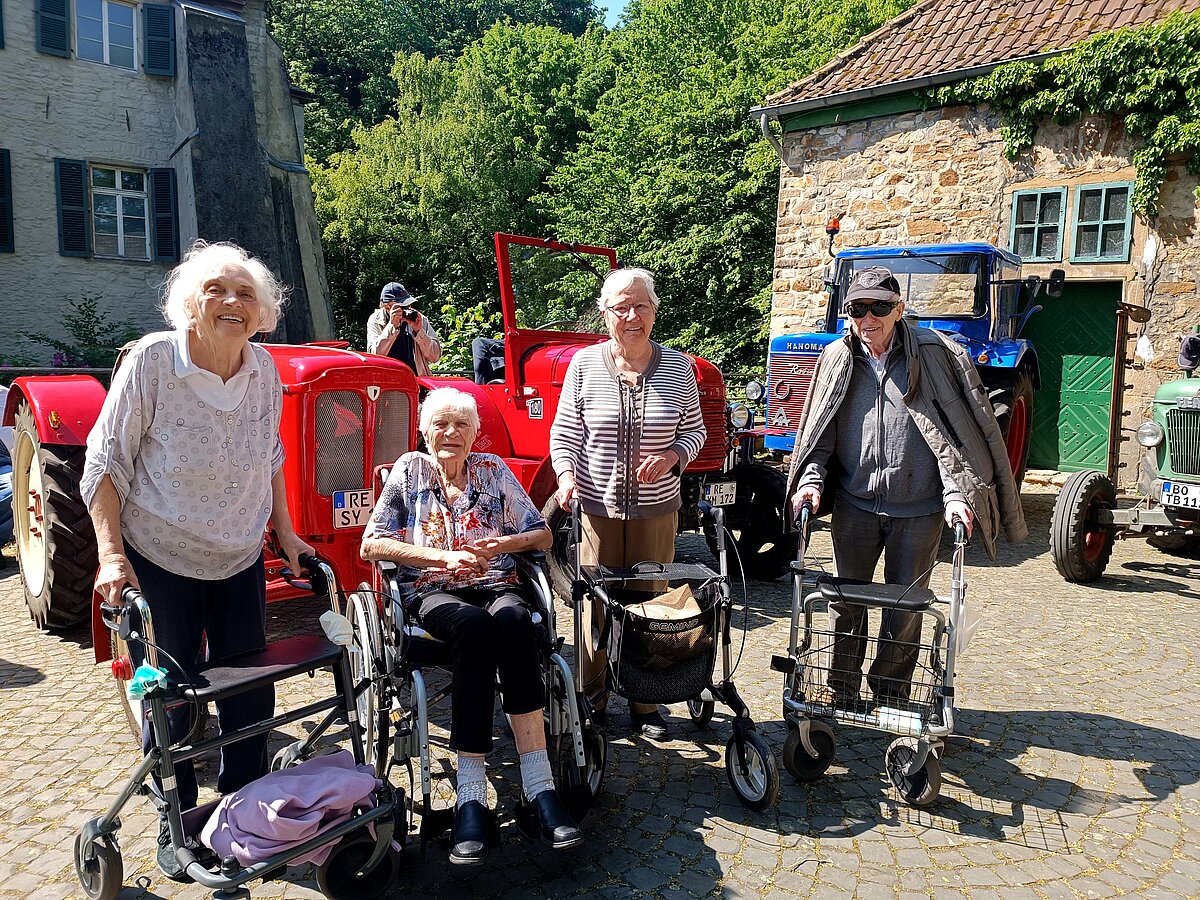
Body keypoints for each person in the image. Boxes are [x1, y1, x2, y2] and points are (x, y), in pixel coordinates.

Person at [81, 240, 314, 880]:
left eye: (245, 294)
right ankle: (176, 816)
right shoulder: (155, 362)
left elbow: (269, 457)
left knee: (248, 696)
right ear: (191, 301)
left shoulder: (262, 368)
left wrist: (286, 535)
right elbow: (104, 463)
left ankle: (242, 809)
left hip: (238, 557)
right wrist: (109, 556)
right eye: (216, 290)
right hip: (162, 557)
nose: (231, 303)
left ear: (263, 310)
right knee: (172, 698)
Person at [786, 265, 1026, 707]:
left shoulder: (938, 355)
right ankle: (840, 687)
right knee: (846, 602)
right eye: (858, 308)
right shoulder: (837, 358)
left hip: (919, 509)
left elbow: (955, 437)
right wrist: (810, 483)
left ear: (899, 309)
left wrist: (956, 495)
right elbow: (820, 437)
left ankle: (891, 693)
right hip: (855, 506)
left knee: (907, 608)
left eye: (880, 306)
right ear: (848, 313)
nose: (868, 318)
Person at [360, 387, 581, 866]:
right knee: (476, 628)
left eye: (461, 424)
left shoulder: (494, 470)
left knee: (516, 619)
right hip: (434, 589)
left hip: (496, 581)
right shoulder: (408, 471)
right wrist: (440, 555)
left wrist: (499, 545)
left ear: (475, 433)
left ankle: (540, 788)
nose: (450, 433)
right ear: (423, 431)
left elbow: (543, 533)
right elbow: (371, 545)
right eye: (440, 423)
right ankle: (470, 795)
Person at [548, 267, 707, 741]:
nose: (632, 316)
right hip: (596, 509)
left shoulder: (678, 369)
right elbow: (565, 434)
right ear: (605, 313)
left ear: (655, 311)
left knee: (652, 604)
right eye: (621, 307)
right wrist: (565, 476)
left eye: (641, 305)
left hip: (657, 512)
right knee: (595, 605)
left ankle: (646, 703)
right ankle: (593, 698)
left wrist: (674, 456)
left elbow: (696, 433)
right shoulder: (583, 365)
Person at [366, 282, 443, 375]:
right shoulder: (375, 320)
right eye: (402, 307)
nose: (407, 309)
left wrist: (419, 332)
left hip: (416, 380)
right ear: (387, 307)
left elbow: (435, 357)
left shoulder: (419, 319)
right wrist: (392, 327)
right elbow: (374, 356)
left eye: (408, 305)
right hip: (387, 382)